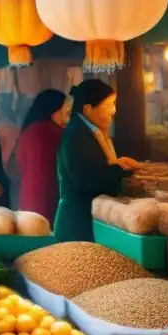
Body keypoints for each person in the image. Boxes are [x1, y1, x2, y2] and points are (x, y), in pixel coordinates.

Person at [54, 80, 141, 242]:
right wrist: (121, 170)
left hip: (85, 221)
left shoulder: (88, 131)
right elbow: (87, 180)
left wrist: (118, 165)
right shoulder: (76, 135)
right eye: (109, 105)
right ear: (88, 109)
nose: (113, 111)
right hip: (78, 225)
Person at [13, 90, 72, 221]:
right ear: (54, 110)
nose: (67, 119)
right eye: (65, 112)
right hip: (49, 201)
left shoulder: (28, 130)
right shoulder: (56, 133)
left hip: (27, 200)